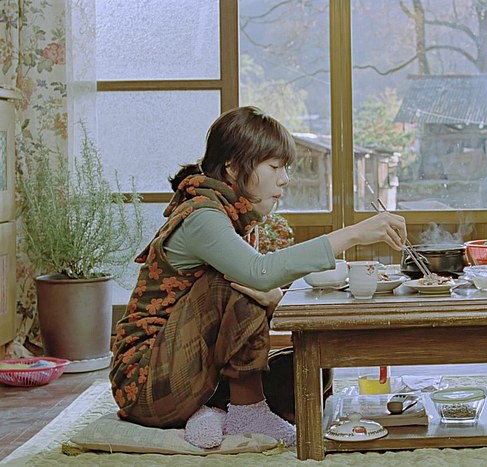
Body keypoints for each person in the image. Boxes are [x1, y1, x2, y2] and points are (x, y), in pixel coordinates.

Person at [110, 106, 407, 448]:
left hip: (190, 372)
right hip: (146, 383)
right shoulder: (201, 215)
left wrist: (275, 298)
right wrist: (354, 234)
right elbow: (258, 273)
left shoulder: (233, 215)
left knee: (305, 371)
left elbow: (253, 294)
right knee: (238, 282)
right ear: (233, 167)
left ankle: (215, 413)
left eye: (285, 168)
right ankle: (247, 412)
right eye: (274, 167)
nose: (285, 179)